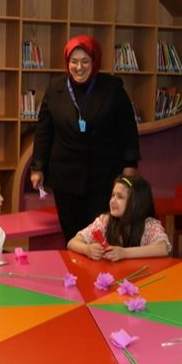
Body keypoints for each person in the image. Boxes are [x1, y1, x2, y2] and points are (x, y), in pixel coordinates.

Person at [31, 35, 140, 242]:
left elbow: (127, 129)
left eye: (85, 61)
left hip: (103, 175)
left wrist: (130, 164)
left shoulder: (112, 87)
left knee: (99, 232)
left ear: (95, 61)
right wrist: (38, 167)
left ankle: (98, 264)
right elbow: (44, 130)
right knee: (72, 234)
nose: (78, 67)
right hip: (65, 175)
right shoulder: (54, 88)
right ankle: (74, 263)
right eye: (73, 61)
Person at [67, 175, 171, 261]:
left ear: (136, 203)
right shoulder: (104, 221)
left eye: (120, 197)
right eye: (113, 195)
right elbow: (72, 242)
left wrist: (124, 253)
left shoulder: (149, 225)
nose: (112, 201)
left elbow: (163, 248)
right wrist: (87, 249)